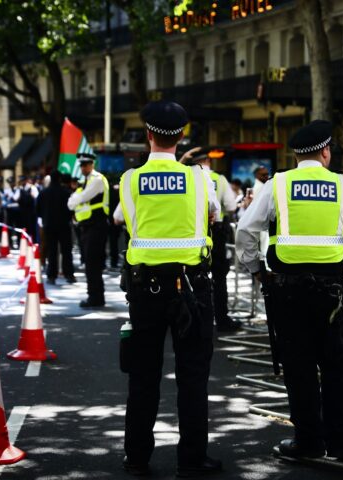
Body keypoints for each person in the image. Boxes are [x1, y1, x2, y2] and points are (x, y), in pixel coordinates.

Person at [236, 120, 343, 462]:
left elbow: (245, 229)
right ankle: (342, 445)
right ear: (326, 152)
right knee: (335, 366)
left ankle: (309, 442)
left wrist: (255, 267)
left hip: (288, 293)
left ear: (296, 155)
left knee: (298, 368)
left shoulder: (278, 184)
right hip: (333, 294)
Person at [118, 100, 222, 477]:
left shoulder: (129, 181)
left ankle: (136, 457)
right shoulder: (199, 178)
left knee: (143, 376)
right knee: (193, 376)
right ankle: (192, 459)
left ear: (148, 135)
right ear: (181, 137)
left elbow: (121, 218)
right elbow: (214, 213)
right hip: (192, 288)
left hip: (146, 291)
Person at [189, 149, 241, 332]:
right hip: (217, 233)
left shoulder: (190, 178)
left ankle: (195, 319)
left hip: (194, 233)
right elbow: (231, 206)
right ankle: (221, 318)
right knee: (219, 278)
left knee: (195, 277)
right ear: (208, 162)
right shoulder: (219, 179)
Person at [67, 153, 109, 308]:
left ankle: (96, 297)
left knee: (93, 264)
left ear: (92, 164)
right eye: (81, 165)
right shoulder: (85, 181)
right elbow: (71, 202)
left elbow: (79, 198)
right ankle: (95, 296)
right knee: (90, 263)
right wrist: (75, 199)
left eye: (86, 164)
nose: (83, 168)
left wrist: (76, 198)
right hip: (88, 227)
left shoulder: (97, 180)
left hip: (96, 226)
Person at [37, 170, 75, 285]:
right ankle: (69, 274)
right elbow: (71, 209)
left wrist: (45, 218)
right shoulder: (66, 192)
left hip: (49, 225)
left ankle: (51, 276)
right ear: (60, 179)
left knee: (52, 251)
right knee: (66, 251)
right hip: (64, 225)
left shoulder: (43, 193)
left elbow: (38, 210)